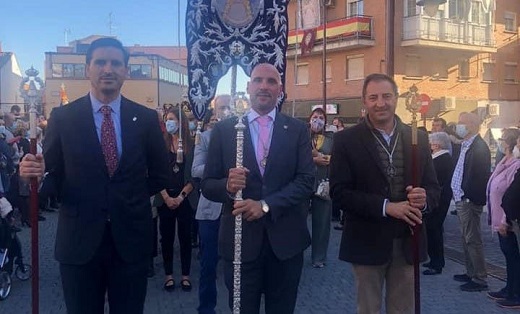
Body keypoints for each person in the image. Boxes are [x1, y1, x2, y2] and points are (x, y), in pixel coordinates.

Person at [19, 37, 169, 314]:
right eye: (100, 62)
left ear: (125, 70)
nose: (107, 69)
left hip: (131, 241)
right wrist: (31, 174)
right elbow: (50, 172)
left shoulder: (146, 118)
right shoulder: (63, 117)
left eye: (115, 63)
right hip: (79, 241)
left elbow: (161, 175)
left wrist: (129, 196)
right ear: (88, 68)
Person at [201, 63, 314, 314]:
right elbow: (208, 185)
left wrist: (265, 205)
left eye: (271, 81)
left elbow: (306, 181)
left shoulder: (296, 130)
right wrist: (228, 186)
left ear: (280, 90)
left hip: (285, 243)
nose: (264, 86)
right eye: (258, 80)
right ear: (249, 87)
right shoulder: (225, 129)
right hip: (241, 244)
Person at [329, 73, 440, 314]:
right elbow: (339, 192)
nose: (381, 103)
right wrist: (386, 206)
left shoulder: (417, 137)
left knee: (403, 310)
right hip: (366, 239)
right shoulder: (346, 140)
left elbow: (434, 188)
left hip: (407, 240)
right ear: (364, 101)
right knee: (368, 309)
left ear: (396, 98)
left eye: (387, 96)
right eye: (374, 97)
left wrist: (424, 199)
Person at [192, 95, 232, 314]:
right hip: (209, 211)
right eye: (221, 108)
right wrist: (223, 172)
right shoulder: (204, 138)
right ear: (214, 111)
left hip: (236, 210)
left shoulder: (241, 136)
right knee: (208, 265)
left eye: (228, 107)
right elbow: (195, 169)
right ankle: (206, 308)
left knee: (236, 266)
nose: (225, 111)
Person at [450, 112, 491, 292]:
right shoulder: (466, 145)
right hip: (460, 198)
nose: (459, 126)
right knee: (465, 238)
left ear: (472, 125)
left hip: (468, 200)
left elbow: (479, 176)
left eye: (462, 123)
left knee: (472, 239)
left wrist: (468, 196)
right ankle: (470, 271)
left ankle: (479, 277)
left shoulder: (479, 147)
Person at [157, 106, 195, 292]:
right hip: (165, 197)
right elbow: (155, 172)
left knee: (185, 237)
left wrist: (180, 197)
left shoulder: (191, 145)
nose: (168, 122)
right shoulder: (161, 144)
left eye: (171, 118)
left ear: (181, 122)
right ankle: (169, 274)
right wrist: (165, 196)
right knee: (167, 237)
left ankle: (186, 275)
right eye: (166, 118)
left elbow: (194, 177)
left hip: (184, 198)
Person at [486, 128, 520, 308]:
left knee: (514, 256)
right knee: (508, 255)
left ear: (510, 143)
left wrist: (506, 219)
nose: (500, 142)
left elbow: (512, 194)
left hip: (507, 219)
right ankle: (509, 288)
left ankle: (516, 292)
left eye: (503, 140)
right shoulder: (504, 161)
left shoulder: (516, 164)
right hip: (498, 216)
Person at [423, 132, 454, 275]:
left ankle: (437, 263)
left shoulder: (443, 159)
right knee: (431, 229)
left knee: (434, 229)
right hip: (435, 197)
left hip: (439, 199)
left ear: (437, 144)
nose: (430, 145)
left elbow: (436, 179)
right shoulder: (437, 157)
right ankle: (433, 258)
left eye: (432, 142)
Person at [308, 107, 333, 268]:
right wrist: (313, 158)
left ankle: (319, 257)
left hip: (323, 184)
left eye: (321, 118)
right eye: (315, 117)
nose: (318, 120)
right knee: (296, 220)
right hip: (303, 183)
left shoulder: (331, 138)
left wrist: (327, 158)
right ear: (309, 119)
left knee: (322, 222)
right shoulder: (301, 136)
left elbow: (338, 156)